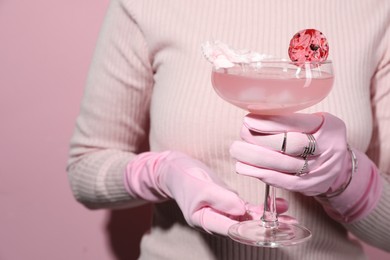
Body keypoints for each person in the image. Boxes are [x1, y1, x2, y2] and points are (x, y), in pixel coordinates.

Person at [67, 0, 390, 259]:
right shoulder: (145, 5)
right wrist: (160, 173)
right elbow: (85, 167)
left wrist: (349, 178)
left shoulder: (376, 10)